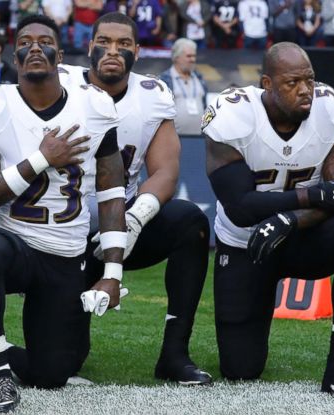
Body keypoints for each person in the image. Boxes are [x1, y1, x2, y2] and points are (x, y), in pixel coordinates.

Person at [0, 14, 127, 413]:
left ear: (60, 56)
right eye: (25, 42)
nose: (35, 47)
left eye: (45, 42)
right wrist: (41, 159)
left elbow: (112, 193)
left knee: (53, 373)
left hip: (66, 255)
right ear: (15, 57)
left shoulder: (95, 105)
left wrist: (112, 273)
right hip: (17, 246)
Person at [204, 42, 334, 398]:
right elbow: (240, 207)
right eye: (292, 82)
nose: (305, 90)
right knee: (240, 369)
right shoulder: (234, 113)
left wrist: (290, 219)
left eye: (309, 80)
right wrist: (310, 196)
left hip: (306, 235)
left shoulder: (330, 108)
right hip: (247, 242)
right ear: (267, 83)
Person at [62, 12, 214, 386]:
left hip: (123, 222)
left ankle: (175, 354)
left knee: (190, 222)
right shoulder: (61, 83)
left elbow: (165, 172)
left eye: (124, 44)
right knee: (62, 360)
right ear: (89, 46)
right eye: (104, 42)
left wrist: (133, 220)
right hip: (65, 227)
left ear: (137, 51)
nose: (113, 50)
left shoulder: (152, 94)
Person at [160, 38, 208, 136]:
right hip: (173, 139)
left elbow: (204, 107)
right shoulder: (164, 80)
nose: (193, 59)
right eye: (189, 56)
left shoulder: (199, 78)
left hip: (199, 139)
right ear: (176, 57)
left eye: (194, 56)